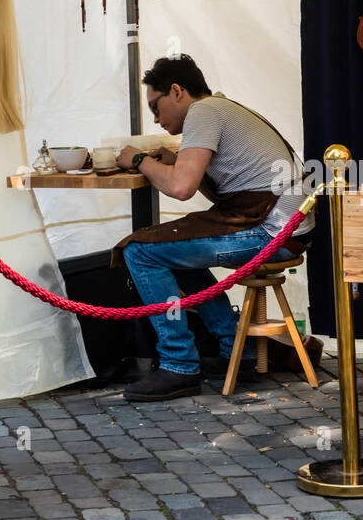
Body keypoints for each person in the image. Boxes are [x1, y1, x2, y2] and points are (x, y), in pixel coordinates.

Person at [113, 55, 314, 402]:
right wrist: (174, 159)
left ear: (176, 91)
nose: (156, 119)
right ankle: (238, 347)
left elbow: (181, 188)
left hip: (271, 233)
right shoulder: (221, 107)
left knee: (141, 251)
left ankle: (179, 364)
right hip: (288, 227)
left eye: (155, 107)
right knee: (171, 250)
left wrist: (138, 160)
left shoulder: (203, 113)